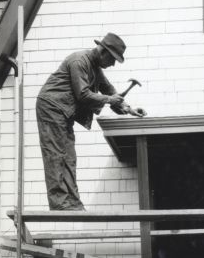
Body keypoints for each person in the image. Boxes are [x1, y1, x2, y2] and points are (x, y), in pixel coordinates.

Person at [35, 33, 145, 210]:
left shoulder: (95, 67)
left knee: (69, 156)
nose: (113, 64)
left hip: (64, 112)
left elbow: (109, 90)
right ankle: (60, 203)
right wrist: (110, 100)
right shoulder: (79, 61)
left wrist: (128, 109)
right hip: (51, 107)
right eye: (113, 58)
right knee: (56, 154)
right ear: (103, 51)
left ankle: (72, 202)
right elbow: (83, 94)